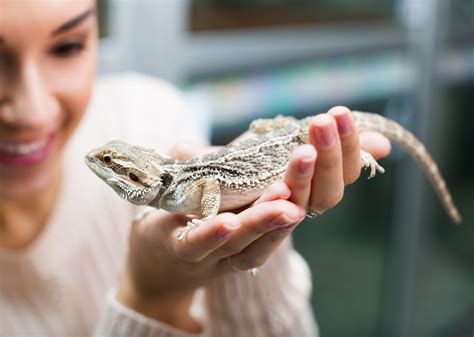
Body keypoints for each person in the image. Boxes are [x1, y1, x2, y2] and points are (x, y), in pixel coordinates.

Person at [0, 1, 391, 336]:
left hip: (279, 145)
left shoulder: (152, 112)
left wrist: (248, 245)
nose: (31, 112)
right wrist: (150, 295)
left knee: (326, 144)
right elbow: (208, 194)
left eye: (68, 45)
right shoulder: (166, 172)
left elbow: (211, 190)